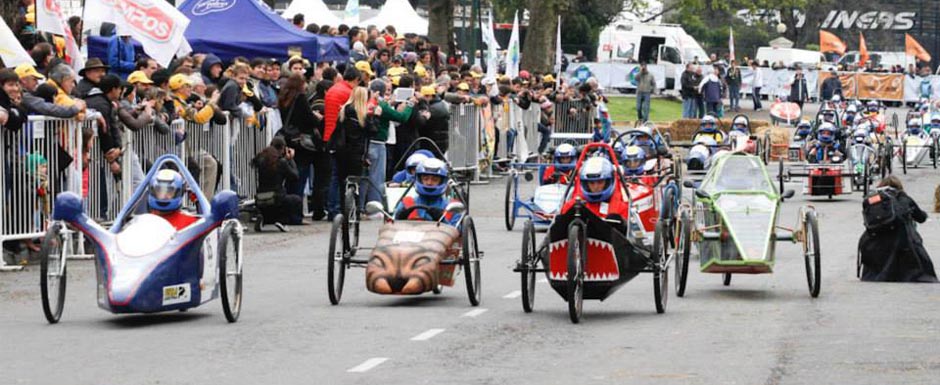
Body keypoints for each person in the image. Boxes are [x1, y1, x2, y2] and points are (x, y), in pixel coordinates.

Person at [859, 176, 937, 282]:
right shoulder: (903, 197)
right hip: (902, 244)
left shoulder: (874, 199)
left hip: (875, 244)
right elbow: (921, 218)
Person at [252, 137, 303, 230]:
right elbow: (295, 176)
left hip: (260, 199)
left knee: (270, 205)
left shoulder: (261, 160)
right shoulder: (281, 162)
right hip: (276, 199)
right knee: (296, 200)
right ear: (283, 148)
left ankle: (264, 219)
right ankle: (282, 221)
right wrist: (290, 160)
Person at [393, 158, 461, 226]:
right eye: (425, 179)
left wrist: (442, 220)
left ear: (442, 181)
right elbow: (391, 228)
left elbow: (458, 231)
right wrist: (398, 218)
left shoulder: (452, 207)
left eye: (435, 180)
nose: (429, 183)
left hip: (438, 236)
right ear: (419, 179)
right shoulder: (406, 203)